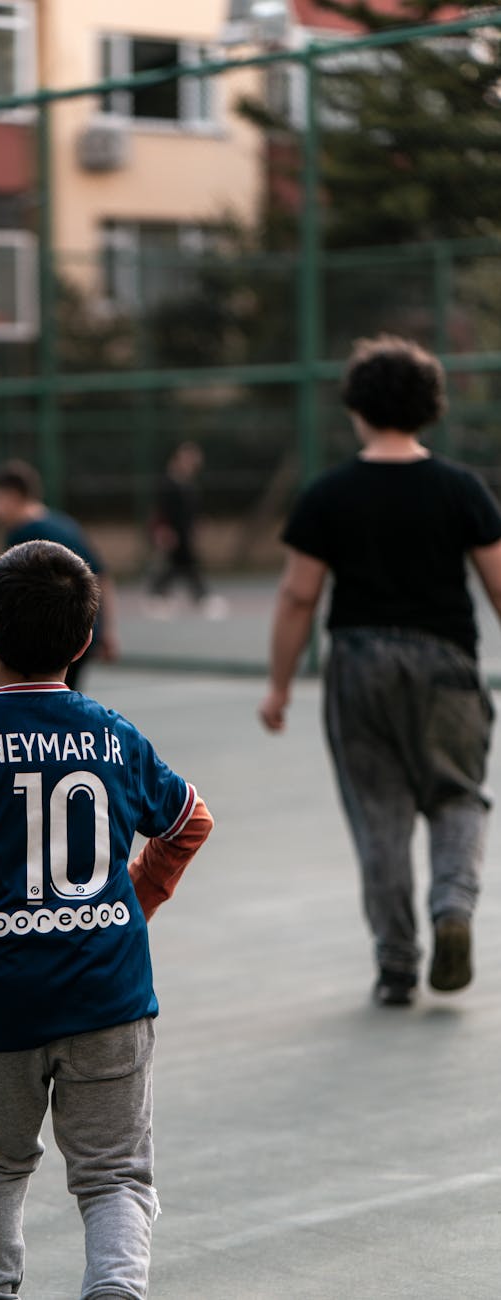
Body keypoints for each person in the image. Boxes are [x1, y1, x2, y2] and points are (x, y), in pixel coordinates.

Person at [0, 539, 213, 1300]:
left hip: (3, 1004)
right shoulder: (113, 733)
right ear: (84, 640)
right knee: (114, 1175)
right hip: (110, 995)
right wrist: (136, 898)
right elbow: (190, 821)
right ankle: (114, 1289)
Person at [259, 335, 501, 1007]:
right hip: (446, 662)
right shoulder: (461, 488)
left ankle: (396, 965)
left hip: (358, 664)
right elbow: (498, 585)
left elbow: (298, 596)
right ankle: (452, 906)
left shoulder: (328, 494)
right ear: (431, 407)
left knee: (380, 816)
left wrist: (279, 684)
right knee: (457, 796)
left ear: (356, 409)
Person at [0, 460, 118, 689]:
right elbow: (101, 576)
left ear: (12, 496)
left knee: (32, 695)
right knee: (60, 696)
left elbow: (8, 596)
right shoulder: (62, 523)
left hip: (47, 635)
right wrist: (107, 630)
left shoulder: (25, 534)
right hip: (79, 630)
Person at [147, 441, 228, 620]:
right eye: (189, 458)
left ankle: (159, 596)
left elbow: (190, 510)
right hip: (173, 533)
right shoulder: (168, 482)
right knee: (184, 564)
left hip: (184, 533)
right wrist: (163, 530)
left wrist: (198, 522)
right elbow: (161, 510)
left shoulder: (189, 483)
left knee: (180, 566)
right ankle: (200, 598)